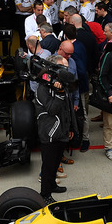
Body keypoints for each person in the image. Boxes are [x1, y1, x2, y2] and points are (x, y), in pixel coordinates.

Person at [34, 55, 76, 203]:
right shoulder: (43, 88)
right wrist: (59, 94)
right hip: (50, 134)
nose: (66, 70)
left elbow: (67, 108)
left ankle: (52, 185)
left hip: (61, 131)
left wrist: (70, 127)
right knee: (48, 166)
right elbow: (52, 110)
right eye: (63, 67)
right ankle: (45, 194)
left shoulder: (60, 84)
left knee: (56, 163)